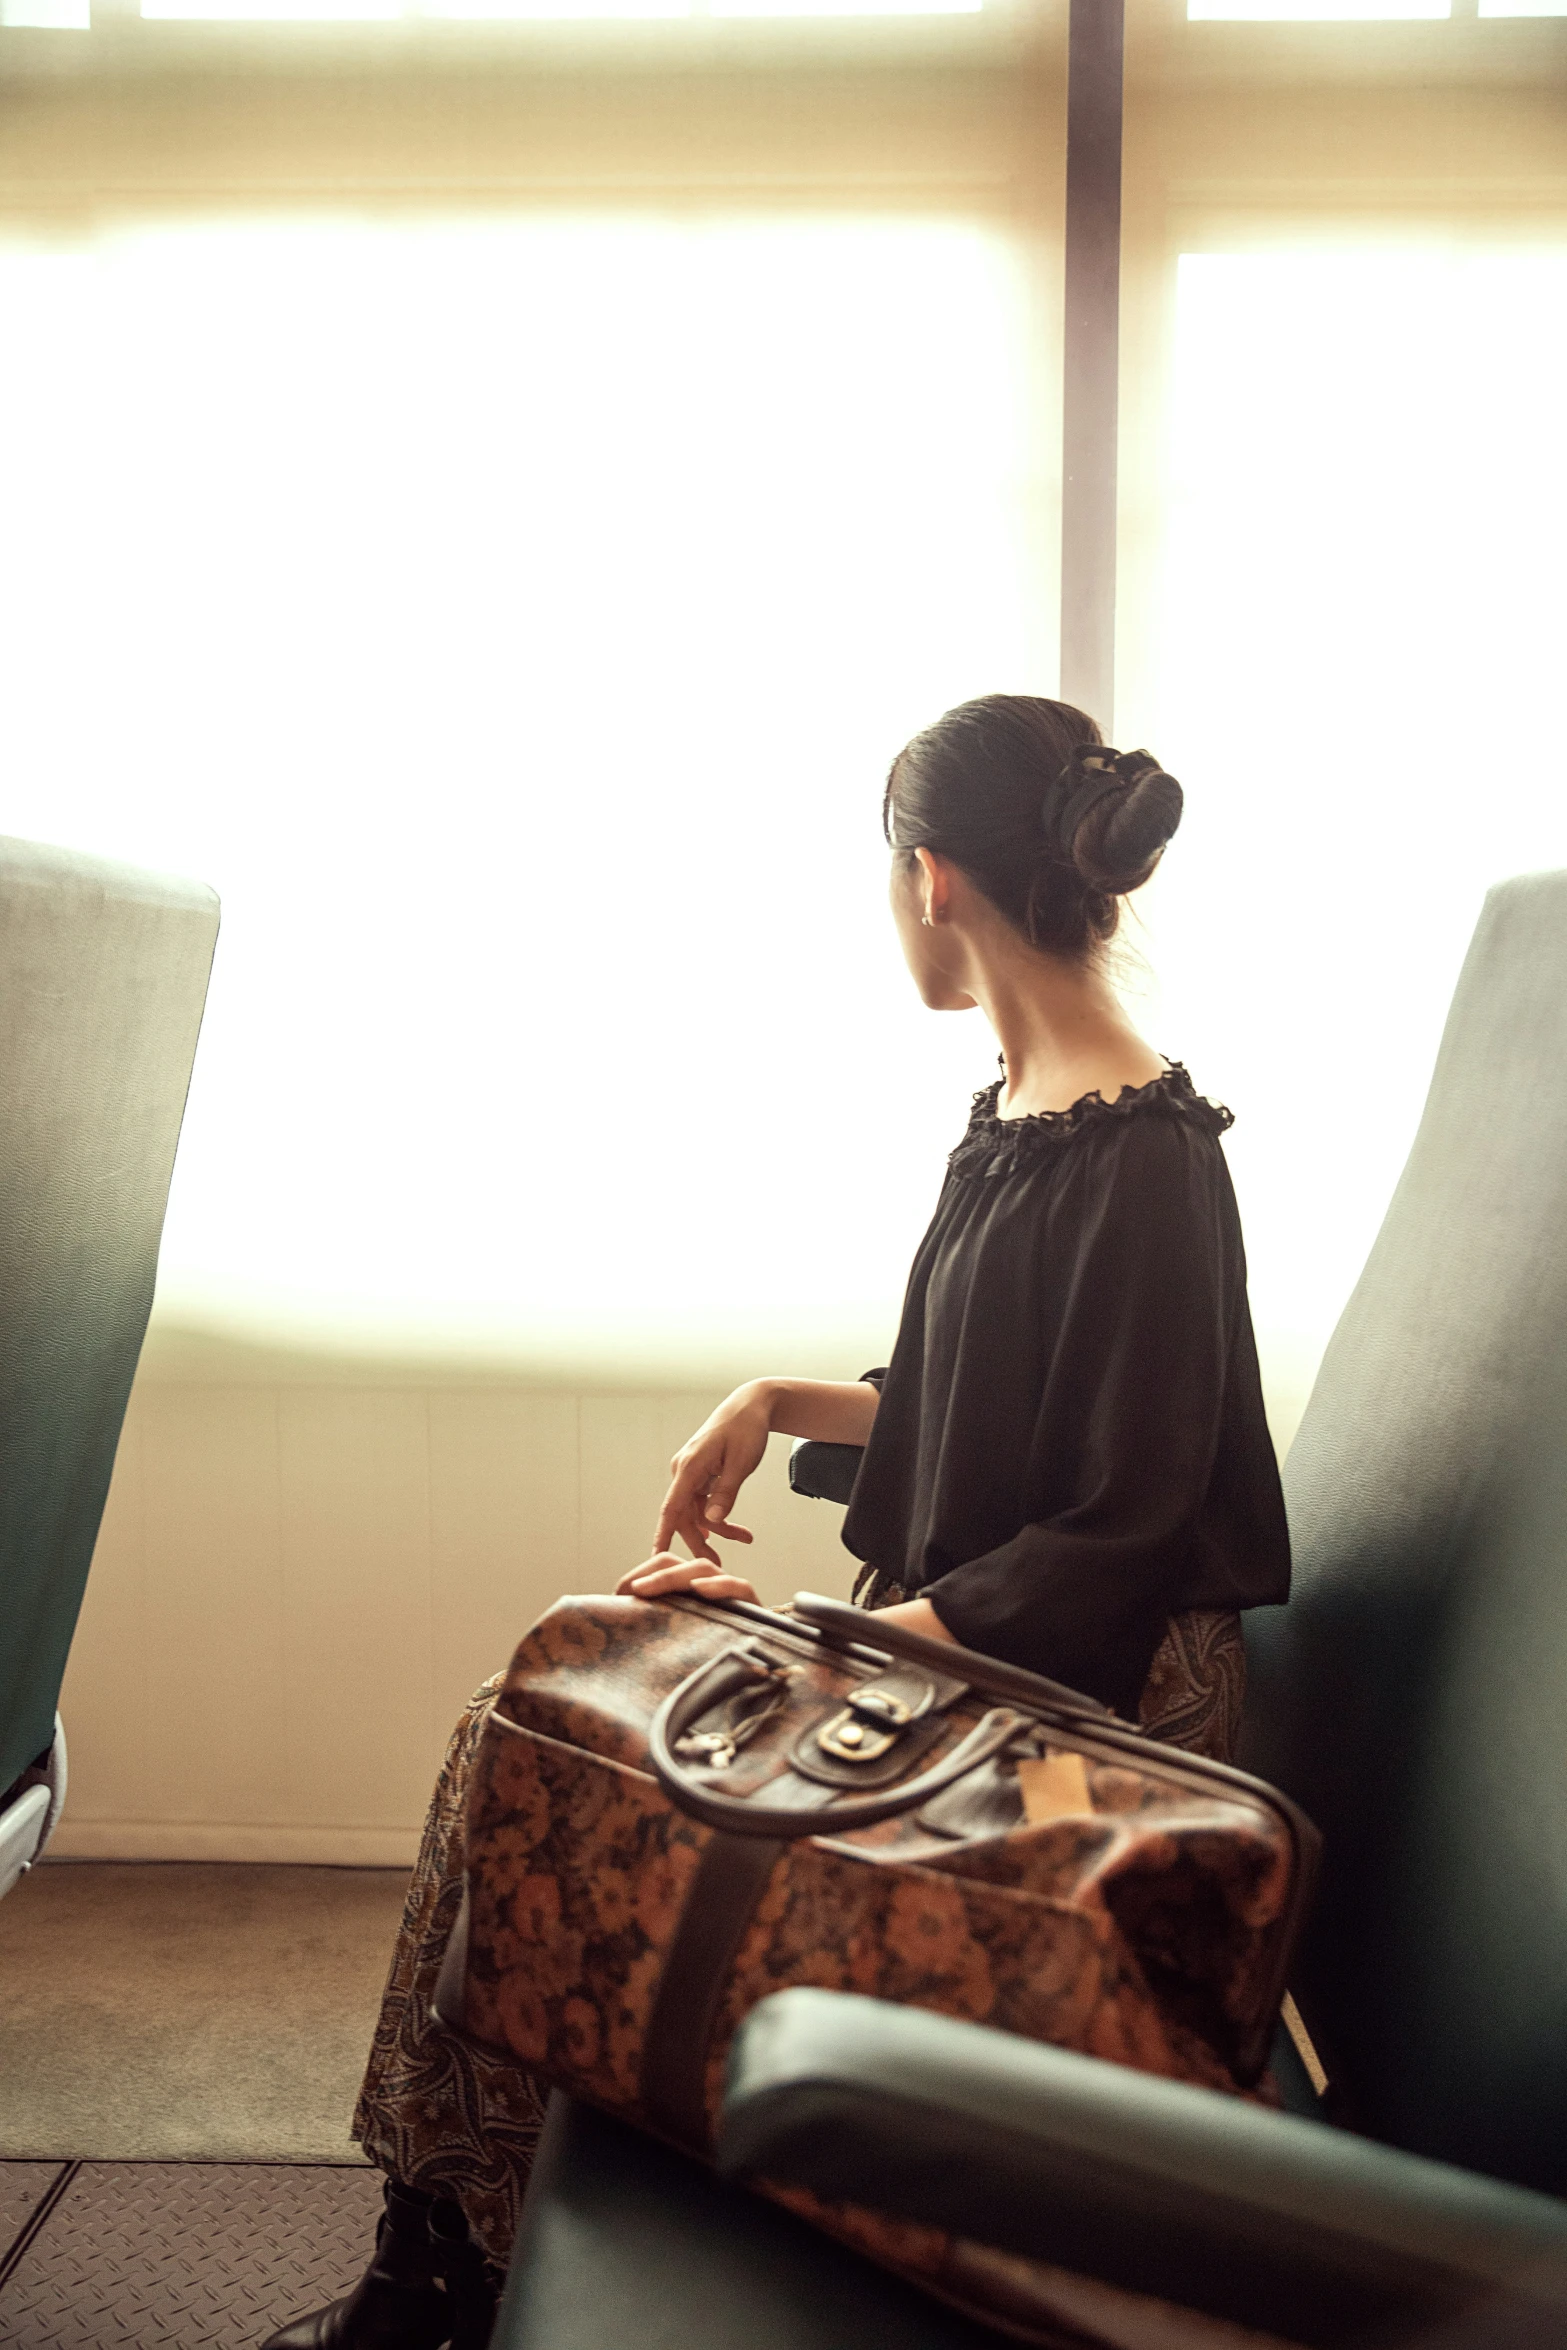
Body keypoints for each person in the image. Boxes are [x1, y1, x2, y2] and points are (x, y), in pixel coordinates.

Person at [259, 694, 1289, 2350]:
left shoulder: (1144, 1150)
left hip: (1087, 1728)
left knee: (547, 1744)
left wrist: (823, 1642)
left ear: (931, 880)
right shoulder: (1025, 1111)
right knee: (524, 1730)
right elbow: (982, 1404)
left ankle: (438, 2277)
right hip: (975, 1659)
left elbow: (1119, 1525)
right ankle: (446, 2254)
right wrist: (772, 1399)